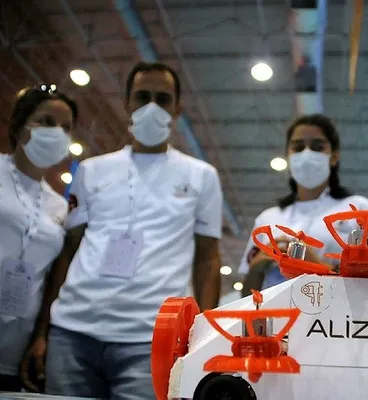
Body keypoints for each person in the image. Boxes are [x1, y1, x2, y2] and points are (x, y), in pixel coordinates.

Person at [20, 62, 224, 399]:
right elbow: (69, 252)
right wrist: (42, 332)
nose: (152, 107)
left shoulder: (201, 176)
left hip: (151, 340)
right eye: (142, 97)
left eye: (163, 99)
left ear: (177, 108)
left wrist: (203, 338)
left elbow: (208, 260)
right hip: (72, 334)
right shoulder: (90, 171)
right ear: (126, 102)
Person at [239, 114, 368, 294]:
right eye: (298, 147)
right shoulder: (267, 219)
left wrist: (316, 265)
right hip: (277, 310)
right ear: (288, 155)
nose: (306, 154)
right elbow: (245, 295)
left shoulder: (362, 210)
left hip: (339, 310)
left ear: (334, 156)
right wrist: (257, 266)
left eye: (317, 147)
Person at [0, 85, 75, 392]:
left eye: (66, 128)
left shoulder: (58, 205)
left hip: (16, 347)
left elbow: (52, 279)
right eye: (46, 121)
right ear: (19, 126)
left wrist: (42, 334)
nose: (56, 132)